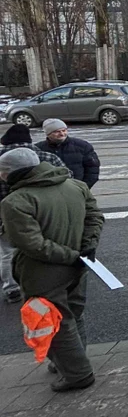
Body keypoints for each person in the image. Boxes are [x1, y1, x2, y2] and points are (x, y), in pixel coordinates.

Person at [0, 148, 104, 392]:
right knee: (74, 313)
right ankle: (72, 361)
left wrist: (71, 256)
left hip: (43, 271)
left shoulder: (16, 201)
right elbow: (94, 217)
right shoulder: (75, 186)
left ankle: (77, 373)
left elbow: (31, 244)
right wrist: (87, 248)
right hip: (79, 266)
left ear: (9, 174)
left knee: (54, 321)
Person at [1, 125, 67, 304]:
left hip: (5, 217)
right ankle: (53, 283)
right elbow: (67, 178)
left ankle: (12, 287)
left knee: (8, 252)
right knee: (45, 246)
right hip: (45, 212)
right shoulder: (47, 156)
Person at [34, 119, 100, 188]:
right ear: (48, 134)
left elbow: (92, 169)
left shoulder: (82, 146)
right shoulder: (38, 149)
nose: (62, 134)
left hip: (78, 188)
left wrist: (84, 187)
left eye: (64, 130)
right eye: (57, 132)